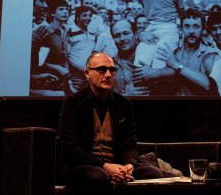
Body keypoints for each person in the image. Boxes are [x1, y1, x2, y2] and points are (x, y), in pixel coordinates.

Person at [57, 52, 164, 195]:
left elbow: (130, 145)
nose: (108, 74)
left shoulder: (123, 104)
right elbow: (70, 147)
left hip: (117, 164)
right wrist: (105, 166)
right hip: (82, 166)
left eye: (112, 70)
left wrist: (128, 166)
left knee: (151, 173)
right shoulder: (73, 103)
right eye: (102, 70)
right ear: (87, 73)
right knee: (98, 176)